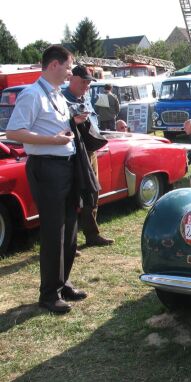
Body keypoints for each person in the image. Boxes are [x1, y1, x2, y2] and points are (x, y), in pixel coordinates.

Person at [5, 45, 89, 314]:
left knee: (70, 225)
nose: (69, 72)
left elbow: (56, 126)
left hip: (66, 166)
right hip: (47, 168)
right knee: (54, 231)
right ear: (53, 65)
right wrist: (53, 140)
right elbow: (14, 132)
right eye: (67, 67)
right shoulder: (32, 94)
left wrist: (73, 122)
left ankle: (62, 283)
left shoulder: (57, 95)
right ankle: (48, 294)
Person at [63, 65, 114, 248]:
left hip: (89, 151)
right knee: (71, 197)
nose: (86, 86)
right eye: (83, 82)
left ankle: (92, 235)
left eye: (88, 82)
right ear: (72, 79)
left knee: (92, 192)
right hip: (71, 154)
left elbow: (93, 122)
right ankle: (68, 243)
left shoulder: (85, 97)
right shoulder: (62, 99)